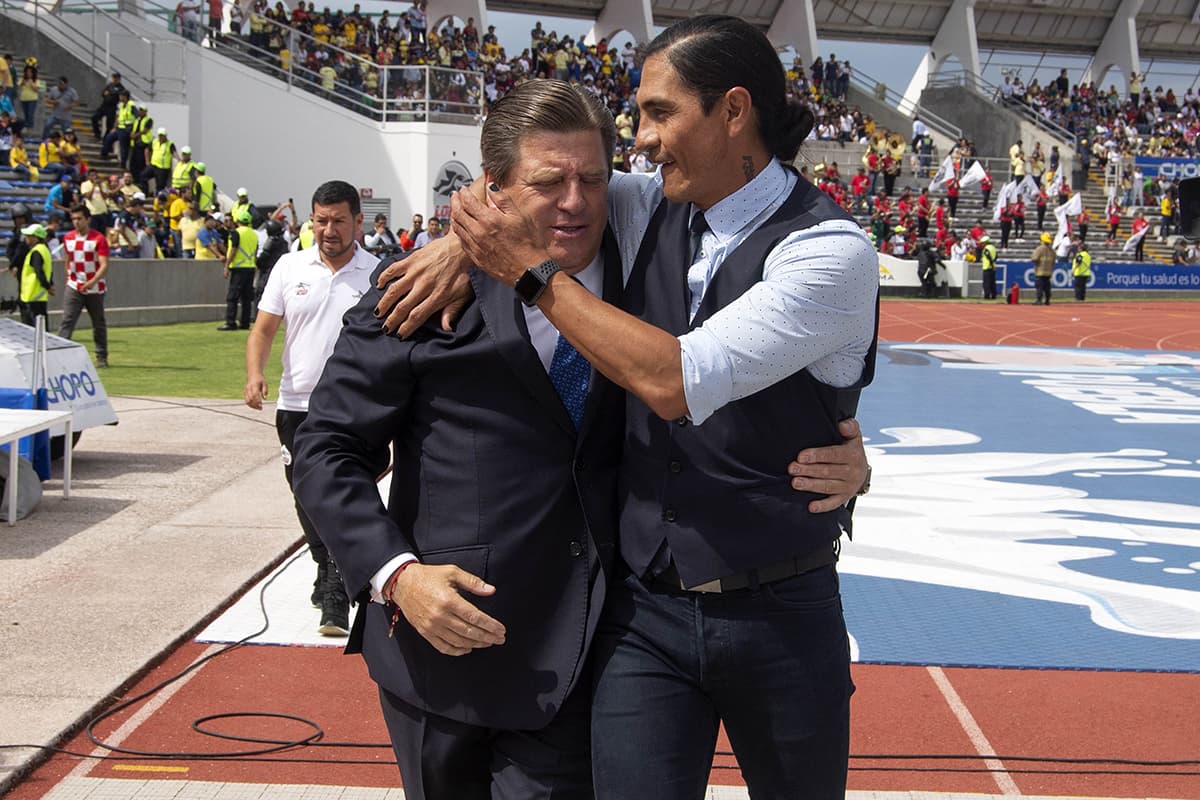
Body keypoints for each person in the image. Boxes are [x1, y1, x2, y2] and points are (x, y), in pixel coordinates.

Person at [295, 80, 870, 800]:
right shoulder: (418, 292)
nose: (574, 201)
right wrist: (396, 575)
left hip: (587, 656)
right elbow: (325, 451)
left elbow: (724, 369)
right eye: (547, 182)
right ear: (493, 191)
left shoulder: (646, 282)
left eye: (592, 179)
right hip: (444, 651)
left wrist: (844, 450)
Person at [245, 181, 375, 636]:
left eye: (339, 220)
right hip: (296, 404)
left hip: (353, 406)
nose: (329, 230)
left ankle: (336, 583)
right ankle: (328, 565)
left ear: (358, 222)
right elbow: (262, 331)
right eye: (321, 220)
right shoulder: (288, 267)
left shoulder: (377, 274)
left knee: (343, 489)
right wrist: (254, 373)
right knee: (304, 493)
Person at [58, 205, 111, 366]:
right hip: (74, 285)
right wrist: (68, 274)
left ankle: (101, 356)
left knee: (98, 323)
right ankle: (57, 355)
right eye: (73, 219)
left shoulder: (98, 239)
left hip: (94, 287)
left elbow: (104, 265)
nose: (76, 222)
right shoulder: (68, 238)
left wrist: (92, 282)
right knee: (67, 320)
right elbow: (68, 258)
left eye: (79, 218)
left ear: (88, 219)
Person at [219, 209, 258, 330]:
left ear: (237, 221)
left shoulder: (236, 233)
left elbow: (234, 249)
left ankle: (230, 322)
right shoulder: (253, 234)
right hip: (250, 267)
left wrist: (227, 265)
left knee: (233, 296)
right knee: (246, 298)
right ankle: (245, 323)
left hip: (238, 268)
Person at [18, 223, 55, 326]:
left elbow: (39, 272)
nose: (26, 238)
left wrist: (47, 286)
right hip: (39, 296)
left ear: (35, 238)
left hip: (33, 295)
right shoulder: (44, 249)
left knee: (34, 329)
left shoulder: (36, 251)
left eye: (29, 236)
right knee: (42, 327)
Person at [90, 71, 124, 140]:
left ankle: (106, 139)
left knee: (109, 125)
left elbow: (118, 95)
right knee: (94, 117)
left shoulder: (121, 88)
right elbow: (103, 93)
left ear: (119, 79)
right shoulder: (109, 85)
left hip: (112, 107)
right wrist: (108, 93)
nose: (114, 79)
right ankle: (97, 134)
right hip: (104, 105)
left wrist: (110, 93)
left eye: (116, 78)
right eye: (113, 77)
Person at [1031, 232, 1055, 305]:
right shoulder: (1052, 250)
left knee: (1039, 286)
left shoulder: (1040, 249)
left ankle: (1039, 300)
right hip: (1048, 272)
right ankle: (1047, 300)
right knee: (1047, 287)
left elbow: (1034, 258)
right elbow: (1053, 261)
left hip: (1040, 271)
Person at [980, 234, 998, 299]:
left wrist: (992, 265)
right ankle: (994, 295)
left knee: (986, 283)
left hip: (987, 267)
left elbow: (989, 258)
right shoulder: (993, 248)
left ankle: (987, 296)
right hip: (993, 268)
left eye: (983, 243)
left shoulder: (986, 249)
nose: (982, 244)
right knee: (993, 282)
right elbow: (996, 257)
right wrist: (994, 265)